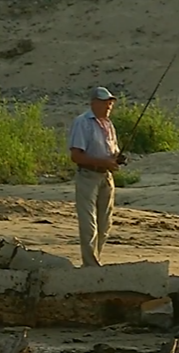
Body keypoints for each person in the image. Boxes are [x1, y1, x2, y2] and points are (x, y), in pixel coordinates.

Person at [67, 86, 128, 267]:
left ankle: (95, 261)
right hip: (88, 176)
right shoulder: (82, 122)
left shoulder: (109, 125)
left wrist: (117, 159)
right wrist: (104, 163)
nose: (108, 105)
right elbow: (76, 156)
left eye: (110, 102)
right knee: (89, 225)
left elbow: (112, 152)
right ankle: (90, 265)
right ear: (93, 103)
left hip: (106, 178)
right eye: (103, 101)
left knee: (105, 225)